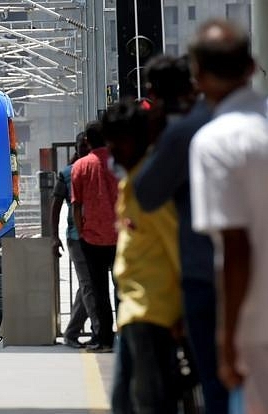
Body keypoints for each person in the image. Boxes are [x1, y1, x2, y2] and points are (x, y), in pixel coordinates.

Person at [134, 54, 229, 412]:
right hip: (247, 267)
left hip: (199, 272)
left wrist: (156, 138)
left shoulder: (181, 131)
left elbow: (146, 193)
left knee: (210, 377)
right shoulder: (235, 119)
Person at [189, 19, 268, 412]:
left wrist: (226, 338)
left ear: (198, 77)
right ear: (252, 67)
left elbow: (236, 248)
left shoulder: (215, 143)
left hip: (258, 330)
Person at [103, 99, 182, 414]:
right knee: (124, 402)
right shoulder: (133, 182)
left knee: (147, 403)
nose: (113, 151)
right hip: (134, 310)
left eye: (118, 142)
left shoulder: (151, 186)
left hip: (154, 311)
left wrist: (184, 311)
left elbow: (177, 247)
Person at [71, 120, 118, 353]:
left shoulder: (80, 166)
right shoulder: (119, 162)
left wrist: (81, 232)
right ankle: (126, 337)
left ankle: (104, 339)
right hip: (121, 237)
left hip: (91, 239)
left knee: (99, 292)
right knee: (123, 289)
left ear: (87, 141)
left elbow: (76, 205)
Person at [50, 132, 94, 349]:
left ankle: (72, 331)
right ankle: (98, 330)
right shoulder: (67, 174)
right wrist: (54, 237)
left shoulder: (96, 169)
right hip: (77, 237)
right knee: (89, 285)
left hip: (95, 236)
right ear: (77, 148)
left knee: (88, 286)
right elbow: (55, 207)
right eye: (82, 146)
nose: (85, 149)